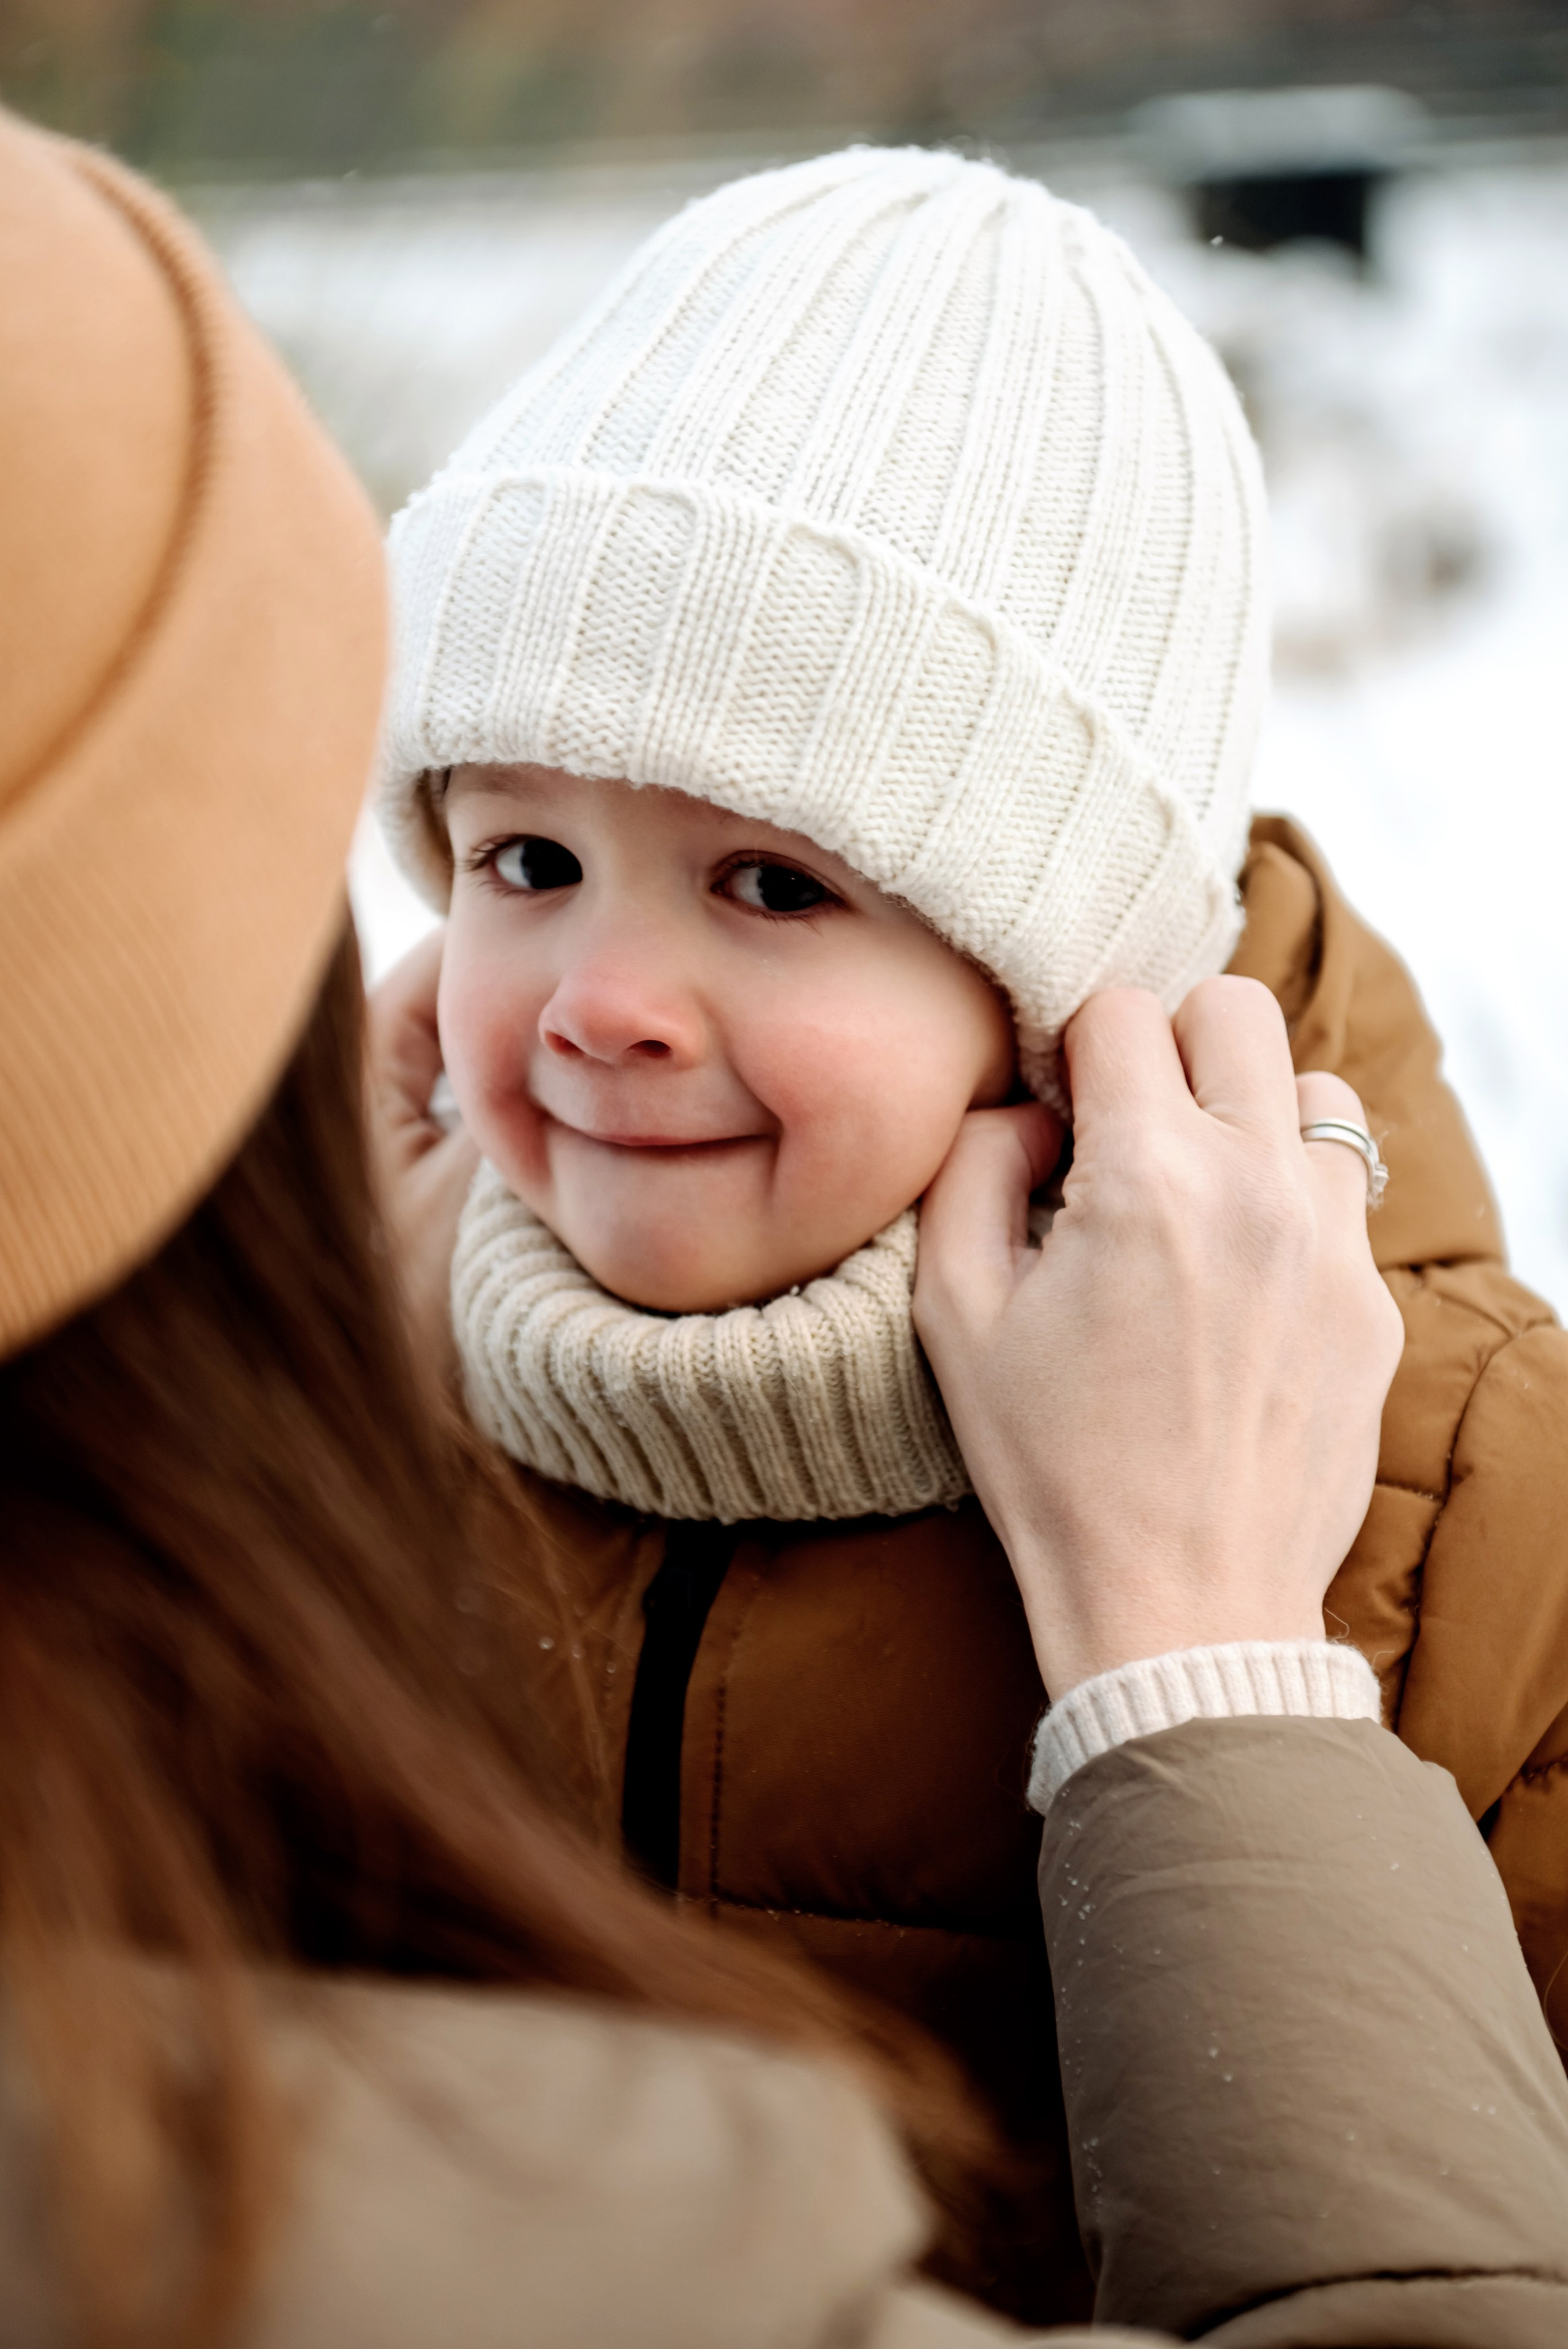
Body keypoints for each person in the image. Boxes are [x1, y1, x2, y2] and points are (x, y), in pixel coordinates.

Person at [4, 105, 1568, 2349]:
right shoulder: (337, 1382)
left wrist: (1205, 1668)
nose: (606, 1004)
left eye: (773, 883)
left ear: (1063, 989)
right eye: (524, 861)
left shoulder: (1465, 1499)